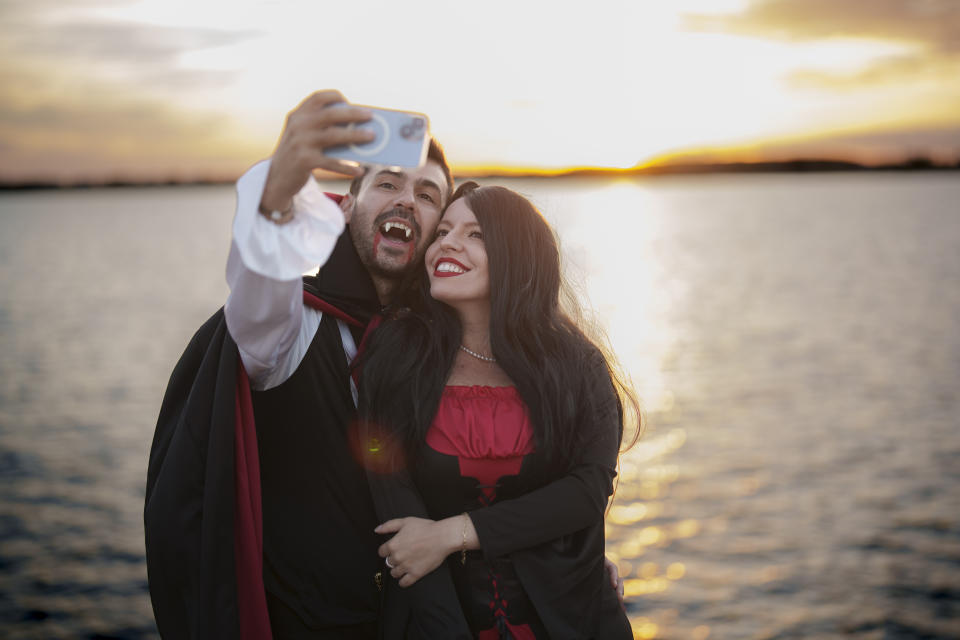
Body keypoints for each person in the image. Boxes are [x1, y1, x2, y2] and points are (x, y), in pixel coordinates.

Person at [145, 90, 471, 640]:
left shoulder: (443, 344)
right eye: (388, 183)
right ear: (347, 204)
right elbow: (259, 285)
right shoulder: (289, 327)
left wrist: (558, 557)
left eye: (427, 194)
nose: (406, 201)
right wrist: (277, 193)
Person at [356, 182, 639, 638]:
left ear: (518, 257)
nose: (447, 242)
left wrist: (452, 533)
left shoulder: (577, 366)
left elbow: (586, 492)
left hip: (571, 618)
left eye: (475, 235)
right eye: (444, 230)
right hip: (439, 618)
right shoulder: (397, 358)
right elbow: (401, 524)